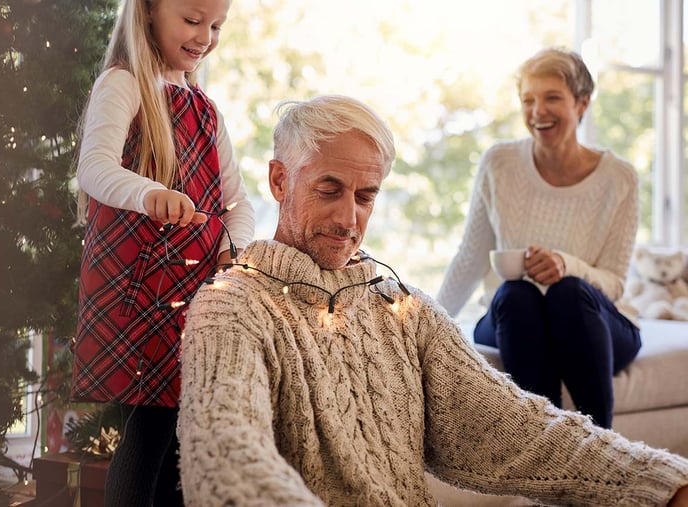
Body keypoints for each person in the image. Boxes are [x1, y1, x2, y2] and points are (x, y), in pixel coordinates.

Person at [176, 94, 688, 506]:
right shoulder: (232, 307)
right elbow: (225, 456)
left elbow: (520, 428)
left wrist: (662, 483)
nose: (348, 220)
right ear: (279, 181)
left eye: (366, 195)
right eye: (329, 189)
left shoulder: (403, 309)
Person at [69, 0, 254, 505]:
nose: (205, 37)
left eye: (216, 25)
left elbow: (237, 200)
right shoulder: (124, 84)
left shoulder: (206, 108)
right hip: (138, 287)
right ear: (148, 11)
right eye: (192, 20)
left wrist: (231, 248)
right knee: (152, 425)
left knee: (180, 433)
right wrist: (149, 194)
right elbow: (94, 168)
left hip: (193, 293)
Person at [435, 47, 641, 430]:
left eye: (551, 98)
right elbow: (470, 258)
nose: (537, 112)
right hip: (515, 316)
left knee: (567, 292)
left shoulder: (619, 178)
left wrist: (566, 266)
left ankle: (604, 449)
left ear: (582, 104)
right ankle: (544, 452)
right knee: (516, 294)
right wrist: (425, 326)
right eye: (528, 100)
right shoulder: (500, 164)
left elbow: (613, 284)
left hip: (587, 316)